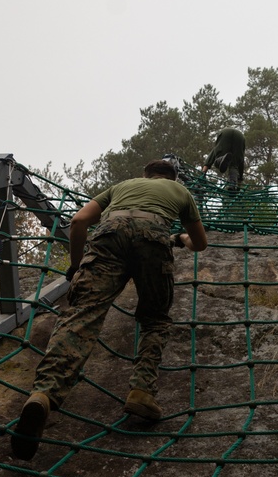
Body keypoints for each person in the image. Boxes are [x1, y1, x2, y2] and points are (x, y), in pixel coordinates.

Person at [11, 157, 208, 460]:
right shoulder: (180, 192)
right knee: (155, 319)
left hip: (107, 237)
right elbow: (201, 243)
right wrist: (178, 240)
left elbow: (77, 222)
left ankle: (43, 395)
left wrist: (76, 268)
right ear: (174, 178)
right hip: (154, 238)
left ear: (145, 174)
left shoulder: (121, 187)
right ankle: (141, 391)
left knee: (82, 315)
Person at [201, 127, 246, 191]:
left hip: (225, 133)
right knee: (234, 165)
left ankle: (221, 158)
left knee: (217, 162)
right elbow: (241, 164)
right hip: (240, 137)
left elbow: (211, 155)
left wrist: (203, 173)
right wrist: (239, 184)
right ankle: (232, 185)